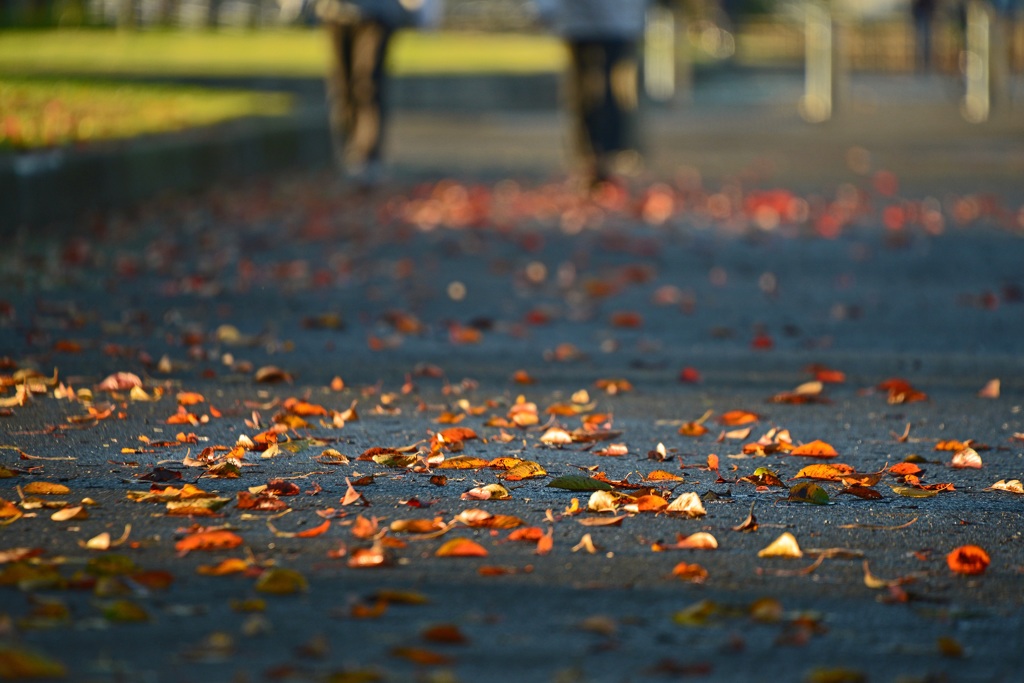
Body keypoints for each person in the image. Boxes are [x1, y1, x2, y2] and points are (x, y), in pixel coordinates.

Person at [315, 0, 441, 187]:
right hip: (336, 10)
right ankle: (350, 150)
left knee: (367, 84)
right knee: (343, 86)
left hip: (378, 12)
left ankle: (368, 157)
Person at [542, 0, 650, 189]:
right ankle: (592, 152)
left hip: (619, 19)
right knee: (586, 89)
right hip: (582, 19)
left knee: (615, 88)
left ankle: (610, 151)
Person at [911, 0, 938, 72]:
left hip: (926, 14)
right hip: (922, 13)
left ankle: (925, 63)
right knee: (923, 41)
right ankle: (922, 62)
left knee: (925, 41)